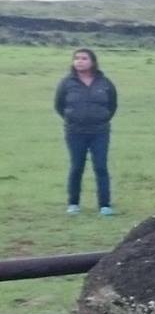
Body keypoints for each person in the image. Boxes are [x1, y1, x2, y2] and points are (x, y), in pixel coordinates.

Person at [53, 47, 117, 216]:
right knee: (76, 167)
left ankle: (105, 205)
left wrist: (101, 119)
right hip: (75, 132)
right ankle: (73, 204)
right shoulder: (67, 83)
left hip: (100, 132)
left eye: (84, 58)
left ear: (93, 62)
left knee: (101, 167)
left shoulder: (104, 83)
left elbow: (112, 105)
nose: (79, 61)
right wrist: (72, 118)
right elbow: (59, 106)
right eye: (77, 58)